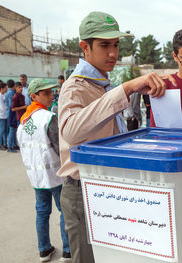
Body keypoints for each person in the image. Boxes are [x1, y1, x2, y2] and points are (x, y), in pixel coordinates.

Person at [57, 11, 168, 263]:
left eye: (116, 45)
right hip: (81, 190)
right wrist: (127, 88)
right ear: (85, 47)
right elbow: (72, 131)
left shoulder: (101, 83)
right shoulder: (75, 86)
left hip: (106, 188)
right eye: (105, 45)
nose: (113, 53)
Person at [17, 78, 71, 262]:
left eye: (51, 92)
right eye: (46, 93)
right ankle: (67, 250)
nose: (51, 96)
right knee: (64, 210)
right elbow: (59, 147)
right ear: (34, 96)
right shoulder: (48, 118)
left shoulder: (23, 122)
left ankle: (44, 249)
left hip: (36, 177)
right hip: (55, 175)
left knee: (41, 211)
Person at [5, 79, 18, 152]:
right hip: (11, 113)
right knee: (12, 130)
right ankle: (10, 146)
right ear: (14, 86)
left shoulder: (10, 92)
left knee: (13, 129)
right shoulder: (11, 93)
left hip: (11, 113)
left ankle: (14, 145)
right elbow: (11, 105)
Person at [0, 82, 8, 150]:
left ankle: (4, 144)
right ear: (2, 88)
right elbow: (2, 107)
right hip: (1, 116)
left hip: (4, 115)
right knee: (1, 130)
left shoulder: (3, 94)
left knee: (5, 130)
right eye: (5, 88)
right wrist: (7, 111)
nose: (6, 89)